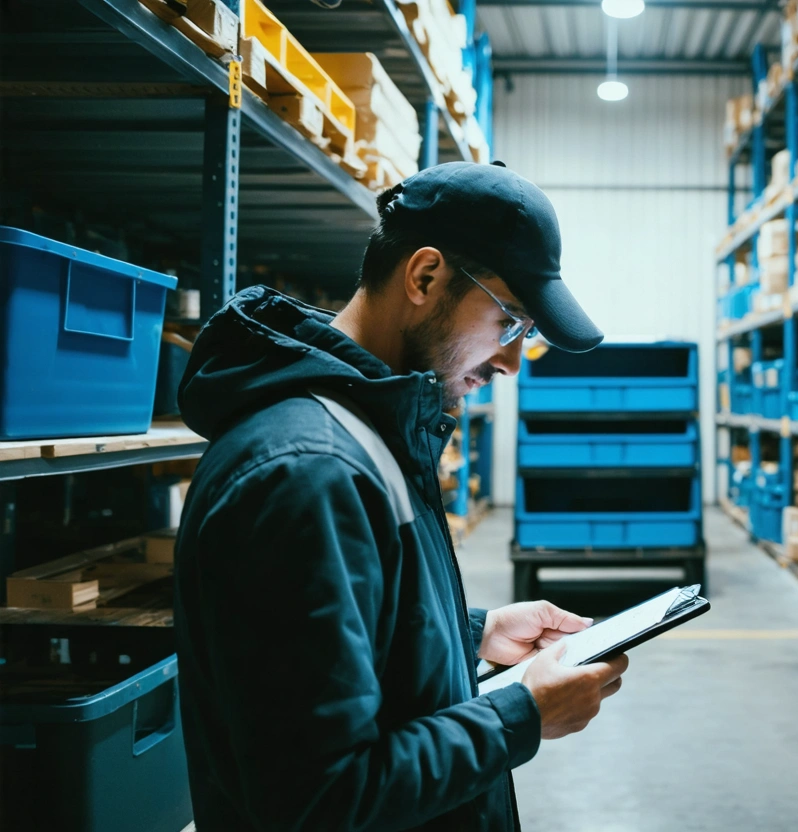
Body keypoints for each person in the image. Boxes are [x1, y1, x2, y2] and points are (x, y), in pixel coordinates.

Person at [174, 161, 629, 831]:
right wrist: (521, 716)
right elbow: (320, 797)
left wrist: (469, 633)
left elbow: (339, 640)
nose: (508, 363)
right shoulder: (309, 471)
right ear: (423, 277)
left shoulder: (367, 428)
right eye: (509, 322)